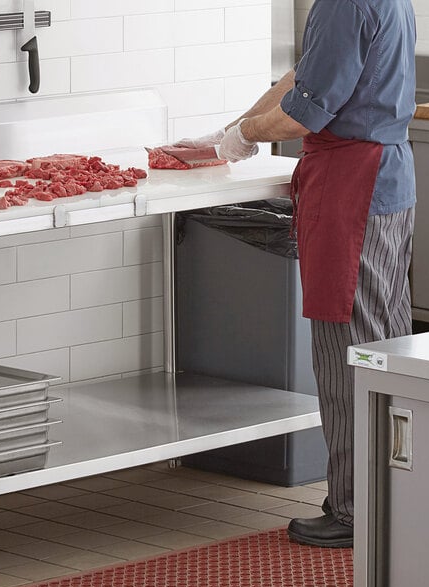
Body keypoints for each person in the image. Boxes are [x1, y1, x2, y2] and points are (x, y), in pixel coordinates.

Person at [178, 0, 416, 548]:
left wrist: (244, 135)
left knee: (351, 350)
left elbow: (305, 110)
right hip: (384, 180)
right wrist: (231, 130)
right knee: (386, 345)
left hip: (353, 188)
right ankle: (391, 498)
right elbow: (302, 75)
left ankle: (357, 510)